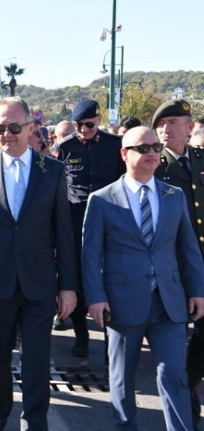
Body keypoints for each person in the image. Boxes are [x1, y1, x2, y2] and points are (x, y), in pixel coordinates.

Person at [0, 97, 77, 431]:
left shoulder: (52, 170)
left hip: (39, 281)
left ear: (29, 127)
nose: (6, 135)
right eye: (0, 128)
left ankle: (35, 420)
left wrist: (68, 286)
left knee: (37, 357)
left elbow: (64, 233)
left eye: (13, 127)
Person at [82, 126, 204, 431]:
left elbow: (188, 249)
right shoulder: (102, 199)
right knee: (122, 379)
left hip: (169, 304)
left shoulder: (173, 196)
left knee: (174, 375)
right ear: (125, 154)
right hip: (123, 305)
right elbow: (90, 254)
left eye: (155, 148)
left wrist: (197, 291)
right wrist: (95, 297)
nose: (152, 153)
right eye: (143, 148)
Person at [55, 99, 125, 358]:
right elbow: (59, 186)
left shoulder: (114, 145)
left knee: (107, 278)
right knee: (76, 278)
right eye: (78, 125)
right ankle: (81, 337)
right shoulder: (65, 147)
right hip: (75, 220)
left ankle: (110, 341)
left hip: (108, 221)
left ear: (98, 120)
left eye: (88, 124)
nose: (83, 130)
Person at [150, 99, 204, 427]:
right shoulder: (155, 166)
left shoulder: (200, 160)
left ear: (189, 127)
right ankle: (186, 408)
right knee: (174, 349)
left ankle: (185, 393)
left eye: (173, 122)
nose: (166, 129)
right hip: (173, 271)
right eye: (162, 124)